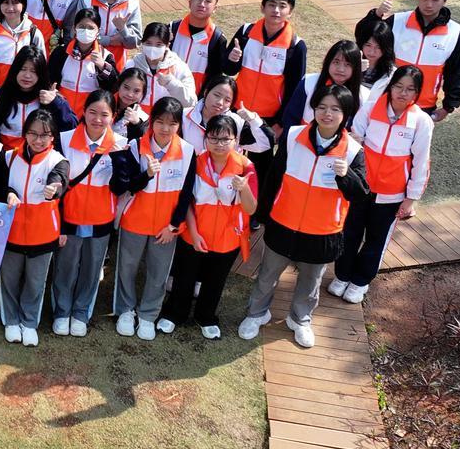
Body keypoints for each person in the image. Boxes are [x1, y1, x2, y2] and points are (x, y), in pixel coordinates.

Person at [238, 85, 369, 349]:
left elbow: (360, 193)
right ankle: (256, 314)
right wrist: (263, 214)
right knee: (267, 275)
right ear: (314, 109)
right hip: (283, 222)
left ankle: (300, 319)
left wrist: (347, 176)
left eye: (335, 109)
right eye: (322, 107)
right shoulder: (293, 136)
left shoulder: (353, 151)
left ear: (346, 114)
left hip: (322, 231)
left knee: (310, 282)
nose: (327, 114)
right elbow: (274, 176)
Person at [328, 66, 433, 304]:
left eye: (410, 90)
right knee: (349, 233)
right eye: (398, 87)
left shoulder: (421, 121)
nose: (403, 94)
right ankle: (342, 275)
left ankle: (360, 282)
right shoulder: (371, 107)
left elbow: (421, 163)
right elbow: (354, 138)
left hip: (391, 195)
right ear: (391, 86)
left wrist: (410, 199)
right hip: (360, 188)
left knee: (376, 240)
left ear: (417, 93)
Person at [161, 112, 258, 339]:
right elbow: (188, 202)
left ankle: (206, 316)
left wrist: (243, 188)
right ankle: (175, 314)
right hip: (194, 233)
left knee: (215, 281)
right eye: (213, 138)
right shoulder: (196, 162)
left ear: (235, 140)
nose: (219, 144)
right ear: (206, 139)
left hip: (227, 237)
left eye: (226, 139)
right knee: (185, 277)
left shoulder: (246, 166)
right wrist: (194, 234)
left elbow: (251, 209)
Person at [109, 97, 193, 341]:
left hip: (165, 228)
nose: (165, 128)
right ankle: (125, 310)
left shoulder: (188, 152)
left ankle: (147, 315)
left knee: (158, 274)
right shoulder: (134, 146)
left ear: (179, 126)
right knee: (127, 268)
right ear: (152, 121)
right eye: (160, 122)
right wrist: (146, 174)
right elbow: (126, 186)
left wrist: (174, 226)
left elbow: (187, 195)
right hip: (134, 220)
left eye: (172, 123)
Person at [0, 108, 68, 347]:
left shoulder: (58, 160)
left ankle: (29, 322)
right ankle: (11, 321)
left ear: (53, 136)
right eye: (33, 133)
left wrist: (54, 188)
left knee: (35, 282)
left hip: (42, 234)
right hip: (10, 231)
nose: (38, 139)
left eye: (44, 135)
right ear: (25, 134)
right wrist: (9, 193)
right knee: (9, 280)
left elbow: (60, 179)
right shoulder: (9, 156)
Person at [50, 90, 124, 337]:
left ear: (113, 117)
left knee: (91, 271)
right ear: (83, 111)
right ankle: (62, 311)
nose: (97, 119)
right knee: (65, 268)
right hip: (69, 217)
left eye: (104, 114)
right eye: (92, 112)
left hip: (102, 220)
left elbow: (125, 184)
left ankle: (81, 313)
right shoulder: (64, 139)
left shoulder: (121, 145)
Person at [355, 0, 460, 120]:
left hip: (423, 107)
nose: (429, 4)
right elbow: (363, 35)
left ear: (445, 0)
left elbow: (456, 72)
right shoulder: (398, 21)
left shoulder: (454, 32)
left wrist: (448, 106)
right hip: (387, 99)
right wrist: (377, 14)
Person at [231, 0, 307, 124]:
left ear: (290, 12)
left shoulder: (296, 46)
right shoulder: (245, 32)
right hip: (237, 108)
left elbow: (294, 89)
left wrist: (280, 122)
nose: (276, 10)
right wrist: (232, 60)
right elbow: (228, 69)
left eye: (282, 6)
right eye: (272, 5)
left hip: (269, 117)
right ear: (262, 8)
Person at [0, 47, 76, 151]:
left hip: (40, 161)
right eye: (23, 69)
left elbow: (71, 128)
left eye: (33, 71)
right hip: (5, 159)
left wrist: (56, 103)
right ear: (15, 70)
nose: (27, 75)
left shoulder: (50, 97)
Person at [278, 39, 365, 132]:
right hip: (301, 142)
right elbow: (290, 118)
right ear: (328, 62)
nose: (341, 69)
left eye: (348, 64)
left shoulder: (363, 96)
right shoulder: (309, 82)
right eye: (336, 62)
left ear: (356, 68)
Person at [172, 0, 240, 93]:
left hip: (194, 101)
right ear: (190, 3)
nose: (202, 4)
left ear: (215, 8)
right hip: (165, 97)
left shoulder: (217, 39)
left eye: (208, 1)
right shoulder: (172, 29)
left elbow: (216, 75)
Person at [181, 75, 272, 156]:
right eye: (216, 95)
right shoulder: (184, 116)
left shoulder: (237, 123)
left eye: (227, 100)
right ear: (206, 92)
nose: (220, 102)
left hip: (225, 174)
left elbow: (265, 144)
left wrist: (253, 120)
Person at [49, 6, 118, 111]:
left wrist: (102, 66)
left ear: (98, 31)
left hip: (89, 116)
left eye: (91, 28)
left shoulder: (105, 56)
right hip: (61, 112)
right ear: (75, 28)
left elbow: (113, 87)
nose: (86, 31)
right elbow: (49, 79)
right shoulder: (61, 53)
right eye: (81, 26)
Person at [124, 21, 196, 115]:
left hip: (165, 124)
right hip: (137, 123)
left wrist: (172, 84)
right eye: (148, 43)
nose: (153, 48)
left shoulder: (179, 68)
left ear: (167, 46)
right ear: (143, 43)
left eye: (158, 44)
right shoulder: (131, 65)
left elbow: (191, 102)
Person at [110, 67, 150, 142]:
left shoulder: (142, 117)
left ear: (143, 93)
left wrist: (137, 123)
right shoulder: (104, 103)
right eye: (126, 88)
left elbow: (142, 143)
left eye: (136, 91)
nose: (130, 94)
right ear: (119, 85)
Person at [359, 22, 397, 88]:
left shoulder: (391, 74)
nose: (372, 52)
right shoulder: (348, 62)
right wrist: (355, 70)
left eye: (379, 47)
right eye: (368, 45)